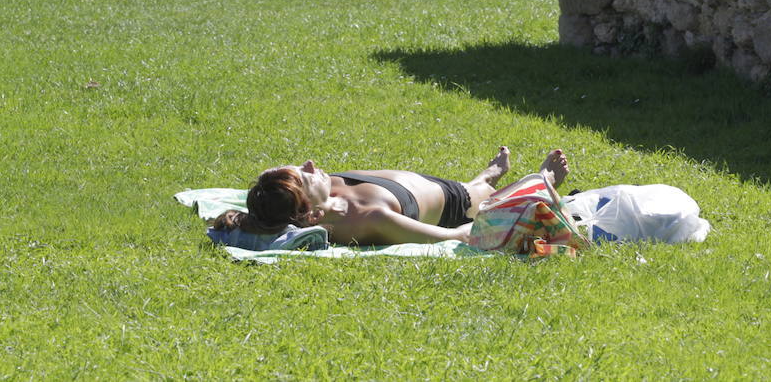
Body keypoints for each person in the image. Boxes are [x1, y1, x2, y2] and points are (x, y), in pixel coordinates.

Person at [215, 146, 571, 245]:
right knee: (483, 197)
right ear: (312, 215)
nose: (310, 163)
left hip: (410, 185)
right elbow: (456, 236)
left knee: (472, 186)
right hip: (455, 205)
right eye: (306, 175)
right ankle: (493, 181)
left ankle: (485, 177)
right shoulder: (371, 220)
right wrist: (525, 200)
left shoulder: (322, 196)